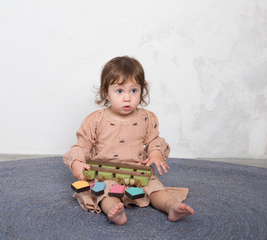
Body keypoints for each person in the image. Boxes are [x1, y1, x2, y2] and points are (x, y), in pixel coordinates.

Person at [63, 56, 194, 225]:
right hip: (104, 175)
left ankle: (171, 207)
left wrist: (155, 152)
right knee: (106, 194)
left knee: (155, 189)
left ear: (142, 90)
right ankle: (114, 211)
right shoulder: (96, 120)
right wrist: (76, 162)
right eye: (119, 91)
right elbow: (82, 145)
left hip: (137, 171)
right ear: (106, 93)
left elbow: (154, 139)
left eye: (133, 91)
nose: (127, 98)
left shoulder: (146, 118)